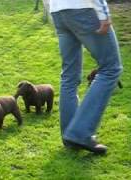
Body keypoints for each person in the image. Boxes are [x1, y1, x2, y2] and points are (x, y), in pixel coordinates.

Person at [50, 0, 123, 154]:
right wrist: (104, 14)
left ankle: (69, 136)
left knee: (69, 75)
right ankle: (79, 133)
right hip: (83, 10)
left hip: (57, 11)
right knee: (111, 68)